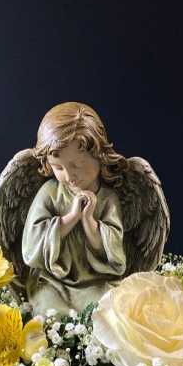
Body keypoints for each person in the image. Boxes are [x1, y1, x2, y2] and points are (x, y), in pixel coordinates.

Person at [21, 103, 127, 314]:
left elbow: (114, 252)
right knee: (50, 313)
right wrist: (72, 217)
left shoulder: (108, 199)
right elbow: (32, 246)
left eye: (77, 165)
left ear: (99, 155)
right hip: (53, 282)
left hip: (97, 281)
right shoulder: (50, 193)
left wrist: (88, 220)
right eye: (58, 167)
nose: (69, 176)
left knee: (109, 312)